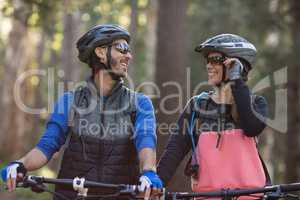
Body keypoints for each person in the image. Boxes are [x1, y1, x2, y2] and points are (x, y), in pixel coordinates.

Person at [1, 24, 163, 200]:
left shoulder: (140, 103)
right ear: (100, 52)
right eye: (122, 49)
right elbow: (47, 145)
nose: (128, 56)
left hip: (120, 195)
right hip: (72, 194)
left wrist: (148, 172)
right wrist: (21, 165)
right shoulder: (69, 101)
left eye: (129, 50)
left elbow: (146, 140)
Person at [157, 34, 269, 195]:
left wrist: (236, 80)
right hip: (207, 196)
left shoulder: (256, 103)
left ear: (237, 64)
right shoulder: (197, 105)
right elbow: (174, 150)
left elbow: (252, 128)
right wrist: (155, 184)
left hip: (250, 196)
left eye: (215, 59)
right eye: (207, 61)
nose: (209, 66)